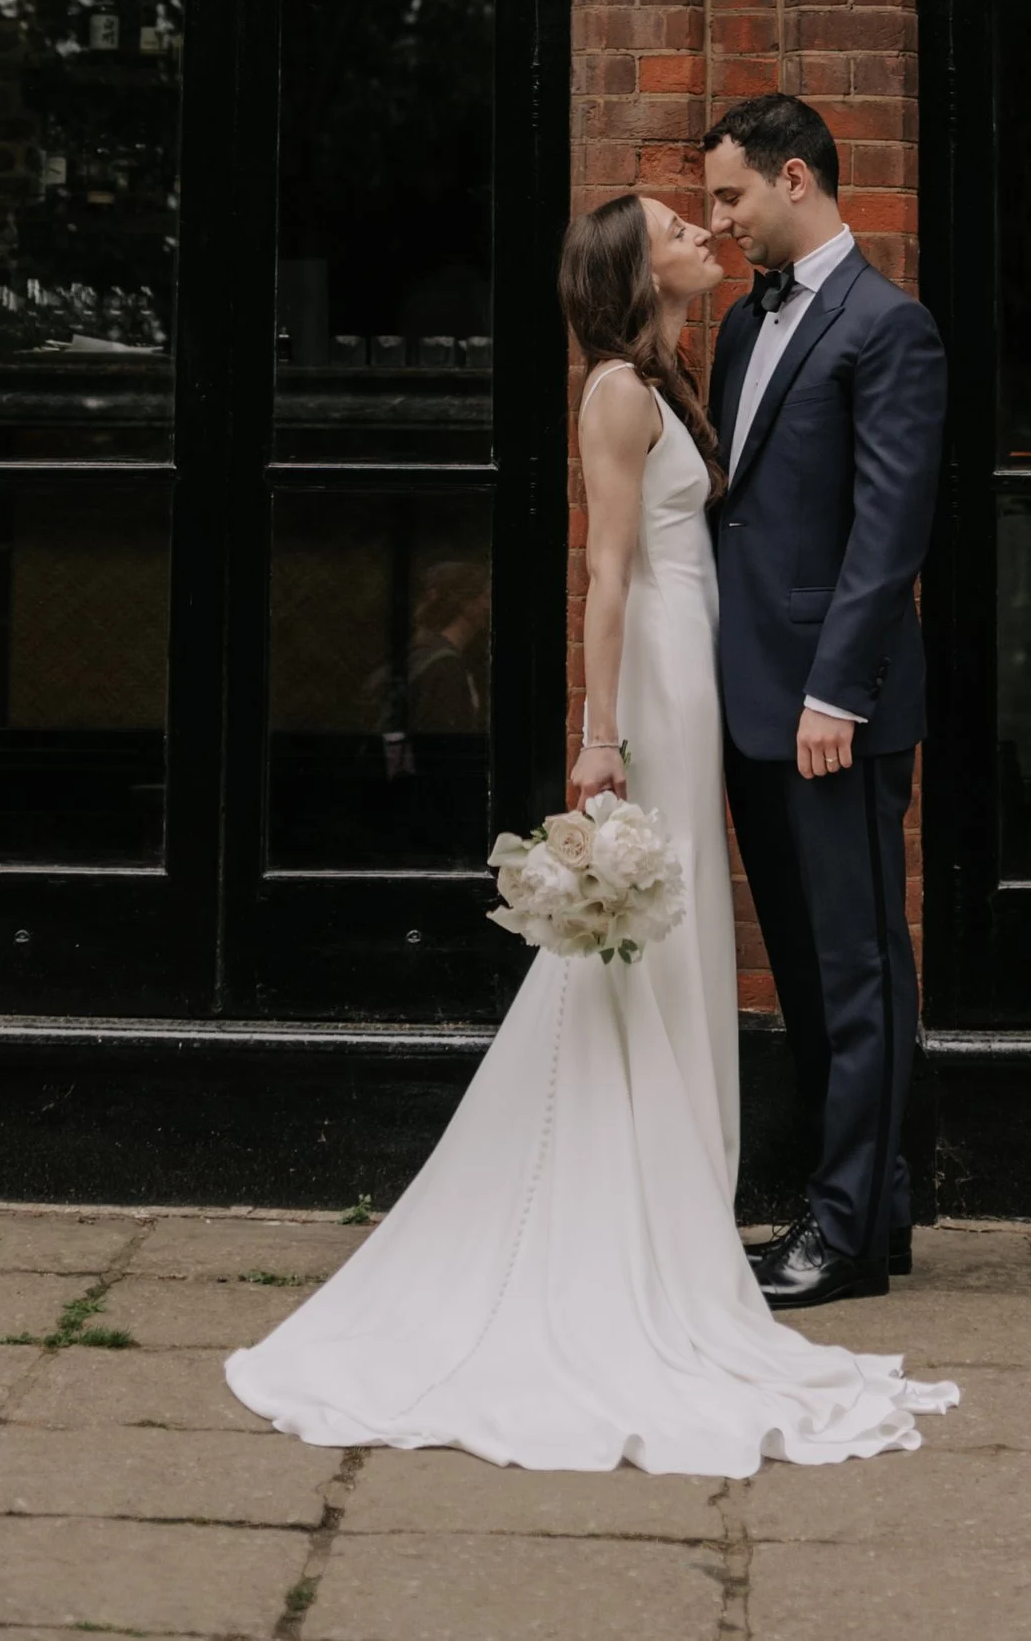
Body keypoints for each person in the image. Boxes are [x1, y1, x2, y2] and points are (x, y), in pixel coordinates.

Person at [224, 189, 953, 1473]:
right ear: (635, 268)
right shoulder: (618, 391)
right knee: (653, 929)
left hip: (706, 667)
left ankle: (673, 1203)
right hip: (659, 677)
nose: (701, 230)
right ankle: (633, 1214)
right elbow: (607, 571)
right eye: (678, 224)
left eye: (708, 208)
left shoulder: (678, 369)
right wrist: (597, 734)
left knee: (682, 932)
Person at [704, 92, 948, 1311]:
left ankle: (844, 1232)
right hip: (748, 697)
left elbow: (889, 531)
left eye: (732, 194)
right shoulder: (742, 323)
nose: (720, 219)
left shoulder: (888, 326)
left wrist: (834, 692)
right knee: (803, 965)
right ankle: (867, 1210)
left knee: (858, 969)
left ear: (794, 177)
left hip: (828, 710)